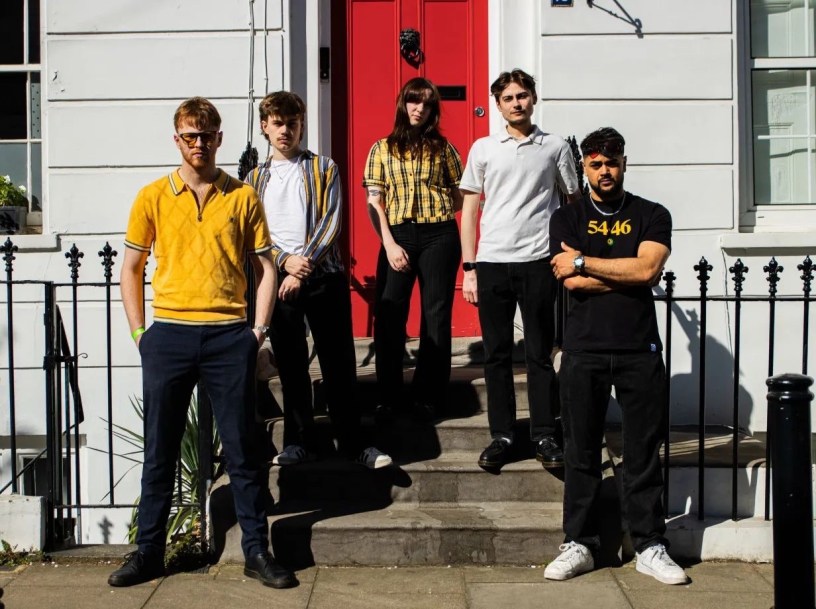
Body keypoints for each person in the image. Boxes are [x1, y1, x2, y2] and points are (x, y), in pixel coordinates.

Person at [111, 97, 296, 589]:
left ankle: (256, 551)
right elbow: (131, 268)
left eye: (207, 135)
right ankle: (149, 552)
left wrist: (256, 331)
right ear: (177, 140)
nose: (199, 144)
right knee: (160, 450)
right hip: (168, 335)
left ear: (219, 139)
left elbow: (266, 268)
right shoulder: (152, 196)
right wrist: (140, 333)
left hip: (228, 337)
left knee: (243, 450)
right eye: (190, 136)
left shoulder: (242, 197)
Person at [545, 127, 687, 585]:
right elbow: (571, 281)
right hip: (583, 348)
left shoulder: (652, 214)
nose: (605, 171)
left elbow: (647, 269)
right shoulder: (567, 218)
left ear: (625, 163)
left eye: (612, 162)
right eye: (596, 164)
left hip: (638, 348)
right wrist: (625, 273)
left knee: (643, 452)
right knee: (580, 451)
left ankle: (649, 545)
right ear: (584, 167)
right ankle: (580, 544)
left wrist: (585, 261)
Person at [245, 91, 392, 469]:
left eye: (292, 123)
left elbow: (331, 221)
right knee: (291, 365)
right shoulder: (254, 179)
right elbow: (254, 235)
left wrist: (302, 265)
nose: (285, 130)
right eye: (277, 123)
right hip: (277, 280)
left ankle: (355, 444)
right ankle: (298, 442)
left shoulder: (324, 167)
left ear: (301, 126)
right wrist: (284, 263)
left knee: (338, 362)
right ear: (264, 127)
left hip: (322, 276)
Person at [459, 68, 580, 471]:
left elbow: (572, 202)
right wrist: (470, 268)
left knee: (539, 353)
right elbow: (470, 211)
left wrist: (568, 255)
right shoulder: (483, 148)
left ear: (533, 99)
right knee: (495, 355)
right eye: (508, 98)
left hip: (538, 262)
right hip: (492, 261)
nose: (516, 103)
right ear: (497, 104)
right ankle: (503, 435)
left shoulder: (555, 146)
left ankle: (544, 434)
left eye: (522, 95)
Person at [362, 77, 464, 421]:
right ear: (403, 104)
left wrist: (437, 212)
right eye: (413, 101)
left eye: (426, 103)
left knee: (436, 316)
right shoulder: (381, 149)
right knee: (390, 315)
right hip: (398, 236)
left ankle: (429, 397)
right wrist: (389, 244)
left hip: (439, 235)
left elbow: (459, 194)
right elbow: (374, 202)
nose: (419, 108)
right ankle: (389, 397)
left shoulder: (444, 148)